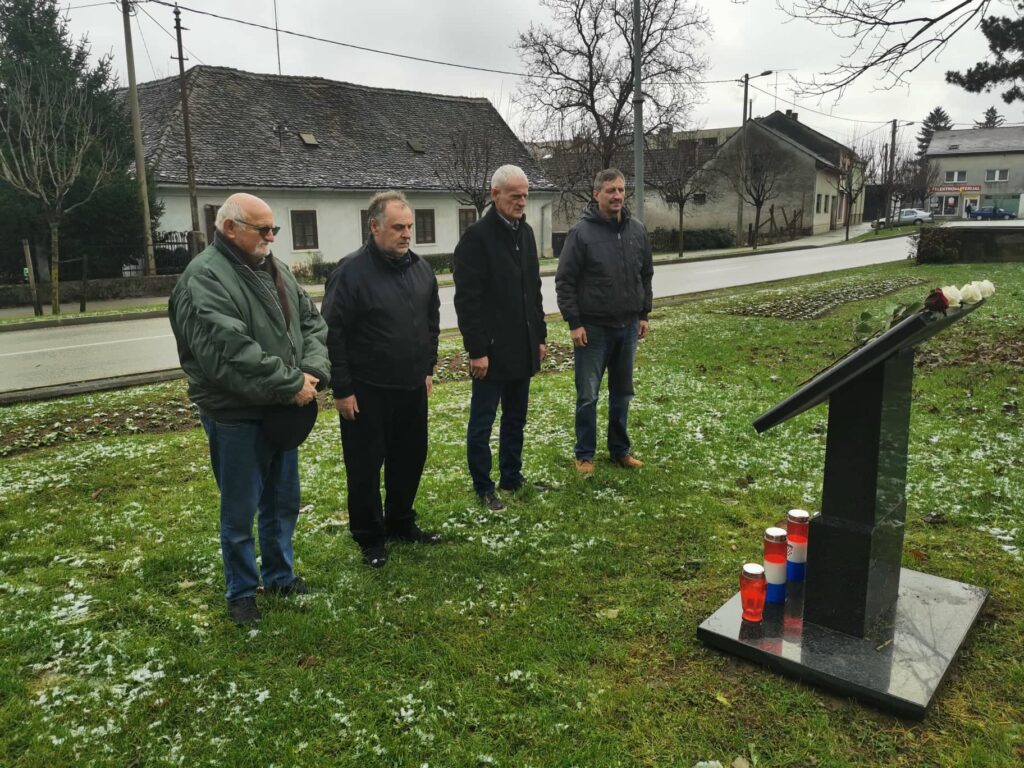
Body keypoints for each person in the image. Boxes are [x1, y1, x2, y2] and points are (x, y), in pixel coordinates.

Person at [169, 193, 330, 626]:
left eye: (272, 228)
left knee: (283, 500)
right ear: (229, 229)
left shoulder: (271, 267)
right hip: (236, 414)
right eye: (262, 229)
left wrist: (312, 370)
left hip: (283, 406)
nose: (271, 236)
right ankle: (241, 591)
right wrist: (291, 383)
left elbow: (312, 322)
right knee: (239, 509)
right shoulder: (204, 278)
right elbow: (229, 353)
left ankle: (280, 575)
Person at [321, 190, 442, 568]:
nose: (407, 234)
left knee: (410, 457)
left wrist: (427, 368)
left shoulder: (421, 269)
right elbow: (333, 333)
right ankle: (369, 536)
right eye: (398, 227)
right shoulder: (350, 272)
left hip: (410, 387)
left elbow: (431, 324)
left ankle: (401, 521)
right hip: (366, 390)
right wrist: (342, 390)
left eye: (410, 227)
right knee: (365, 465)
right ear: (374, 227)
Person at [453, 165, 547, 511]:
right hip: (490, 353)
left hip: (522, 348)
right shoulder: (476, 238)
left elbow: (533, 289)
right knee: (483, 423)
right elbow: (466, 300)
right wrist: (477, 350)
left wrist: (539, 335)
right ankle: (483, 485)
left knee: (515, 419)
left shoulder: (526, 233)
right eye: (515, 196)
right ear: (495, 195)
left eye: (525, 196)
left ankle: (511, 475)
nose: (522, 202)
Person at [555, 168, 653, 475]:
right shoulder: (581, 234)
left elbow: (645, 274)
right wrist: (574, 322)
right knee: (588, 395)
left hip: (627, 327)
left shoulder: (637, 230)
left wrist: (643, 313)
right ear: (597, 194)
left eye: (621, 190)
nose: (617, 196)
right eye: (611, 190)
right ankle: (584, 454)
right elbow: (565, 281)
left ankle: (619, 450)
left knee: (622, 393)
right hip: (593, 330)